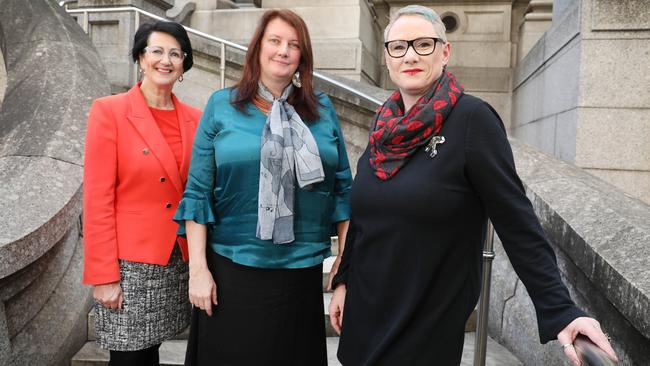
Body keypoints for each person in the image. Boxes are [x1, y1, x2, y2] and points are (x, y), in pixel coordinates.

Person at [327, 5, 619, 366]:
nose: (411, 55)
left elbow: (516, 220)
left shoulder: (472, 120)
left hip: (423, 324)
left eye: (423, 44)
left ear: (445, 51)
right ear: (387, 59)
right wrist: (344, 279)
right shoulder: (383, 125)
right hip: (364, 313)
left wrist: (560, 309)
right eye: (399, 47)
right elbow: (363, 214)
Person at [173, 9, 352, 366]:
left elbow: (343, 192)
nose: (283, 50)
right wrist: (198, 271)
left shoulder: (322, 110)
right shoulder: (222, 106)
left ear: (302, 57)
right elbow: (197, 192)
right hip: (232, 272)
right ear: (257, 49)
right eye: (275, 41)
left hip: (301, 274)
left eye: (294, 44)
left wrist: (346, 270)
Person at [82, 21, 201, 366]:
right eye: (157, 51)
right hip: (130, 266)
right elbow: (98, 198)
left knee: (153, 354)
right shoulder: (110, 111)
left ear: (184, 64)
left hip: (179, 260)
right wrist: (104, 275)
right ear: (140, 57)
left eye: (176, 53)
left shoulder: (197, 118)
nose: (166, 60)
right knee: (131, 359)